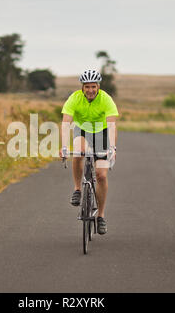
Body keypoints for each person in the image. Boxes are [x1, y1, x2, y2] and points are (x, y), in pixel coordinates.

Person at [59, 69, 119, 235]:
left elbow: (112, 125)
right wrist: (64, 147)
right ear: (82, 88)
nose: (91, 90)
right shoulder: (74, 98)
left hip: (103, 133)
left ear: (98, 86)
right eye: (87, 87)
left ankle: (100, 216)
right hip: (82, 131)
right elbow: (66, 122)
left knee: (101, 175)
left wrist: (112, 148)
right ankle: (78, 189)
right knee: (78, 151)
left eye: (93, 86)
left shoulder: (106, 99)